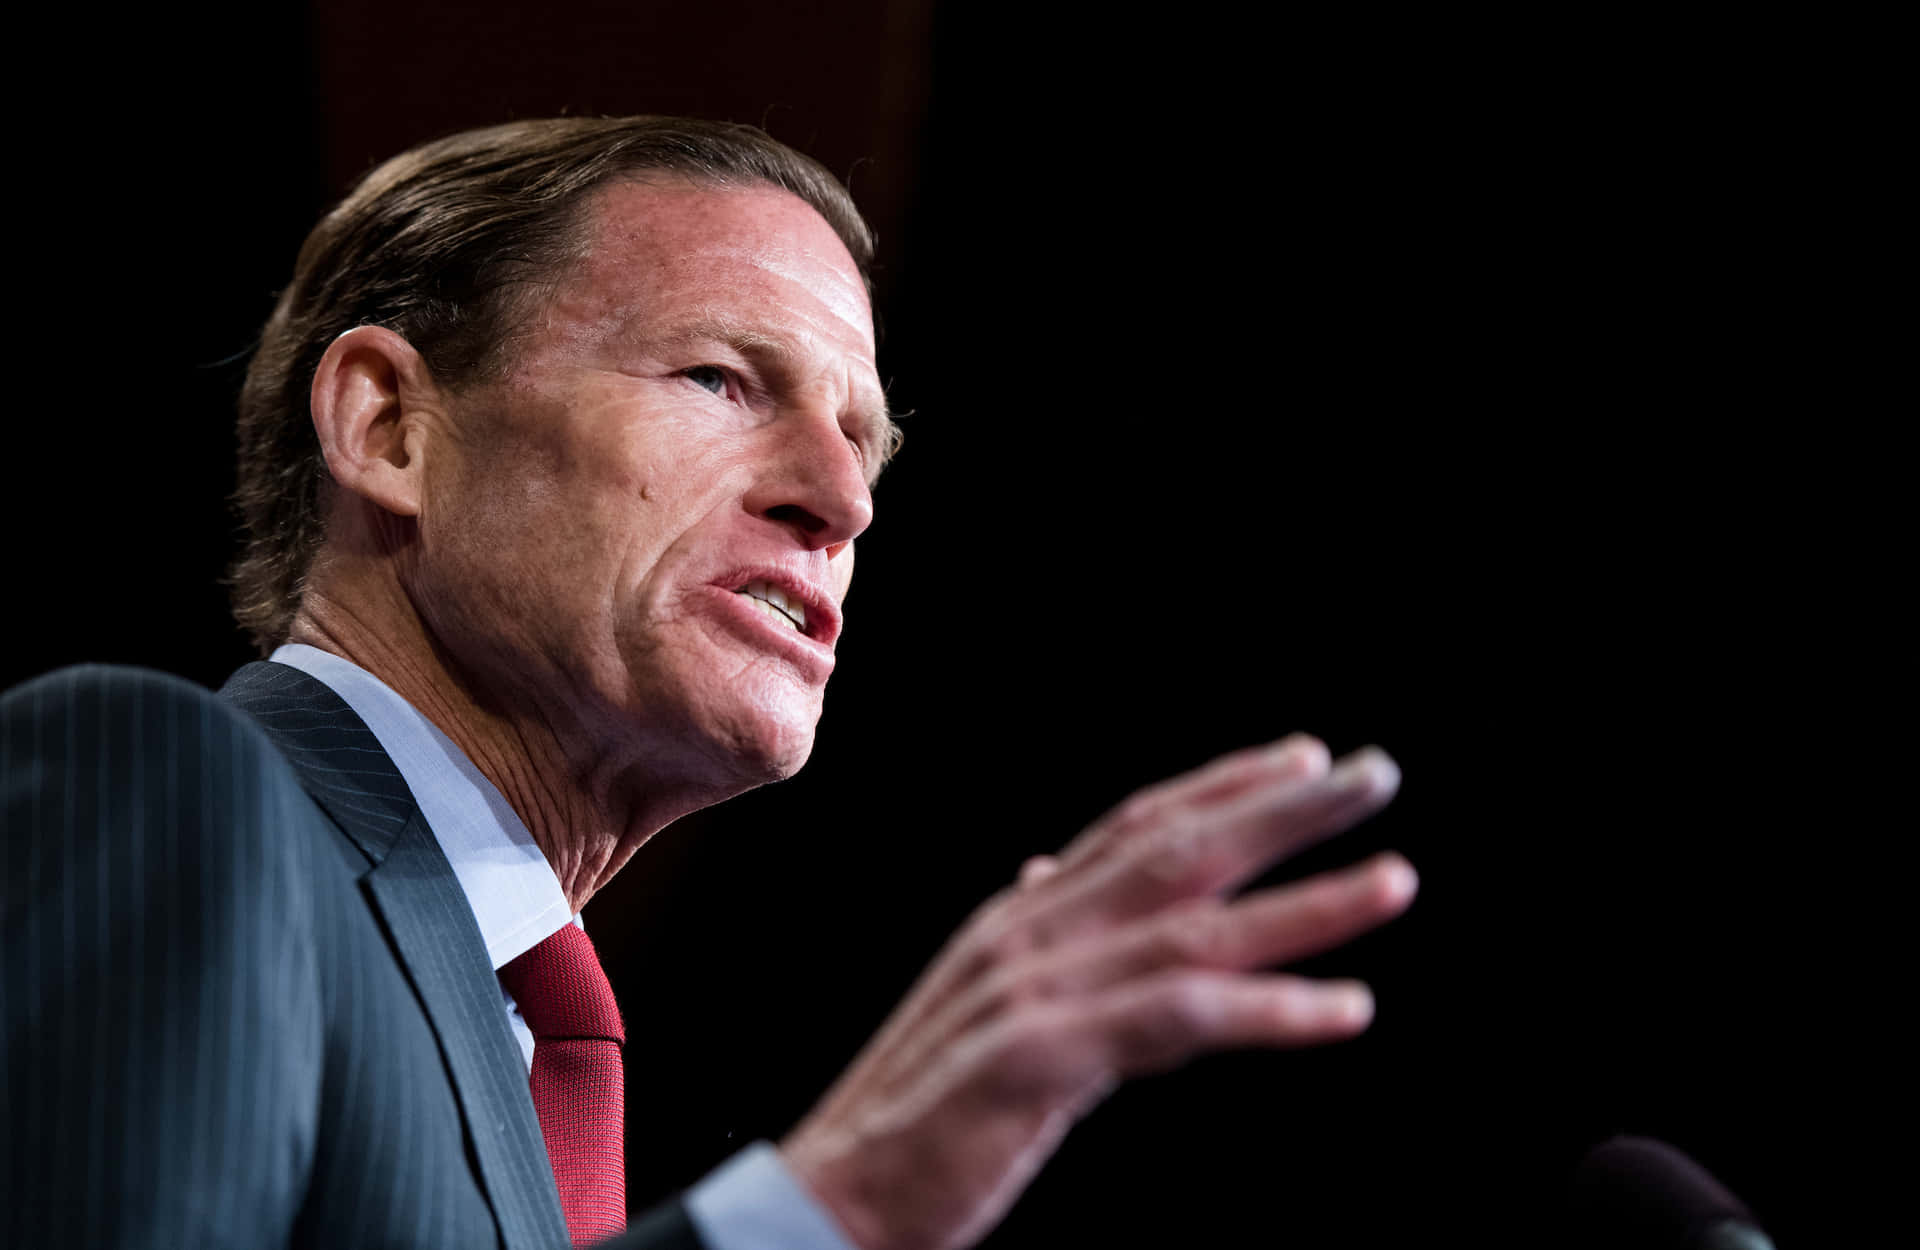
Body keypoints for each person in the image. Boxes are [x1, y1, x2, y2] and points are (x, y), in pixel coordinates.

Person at [0, 116, 1418, 1249]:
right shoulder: (167, 794)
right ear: (389, 426)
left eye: (862, 442)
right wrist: (832, 1206)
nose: (839, 499)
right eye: (723, 379)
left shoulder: (518, 1025)